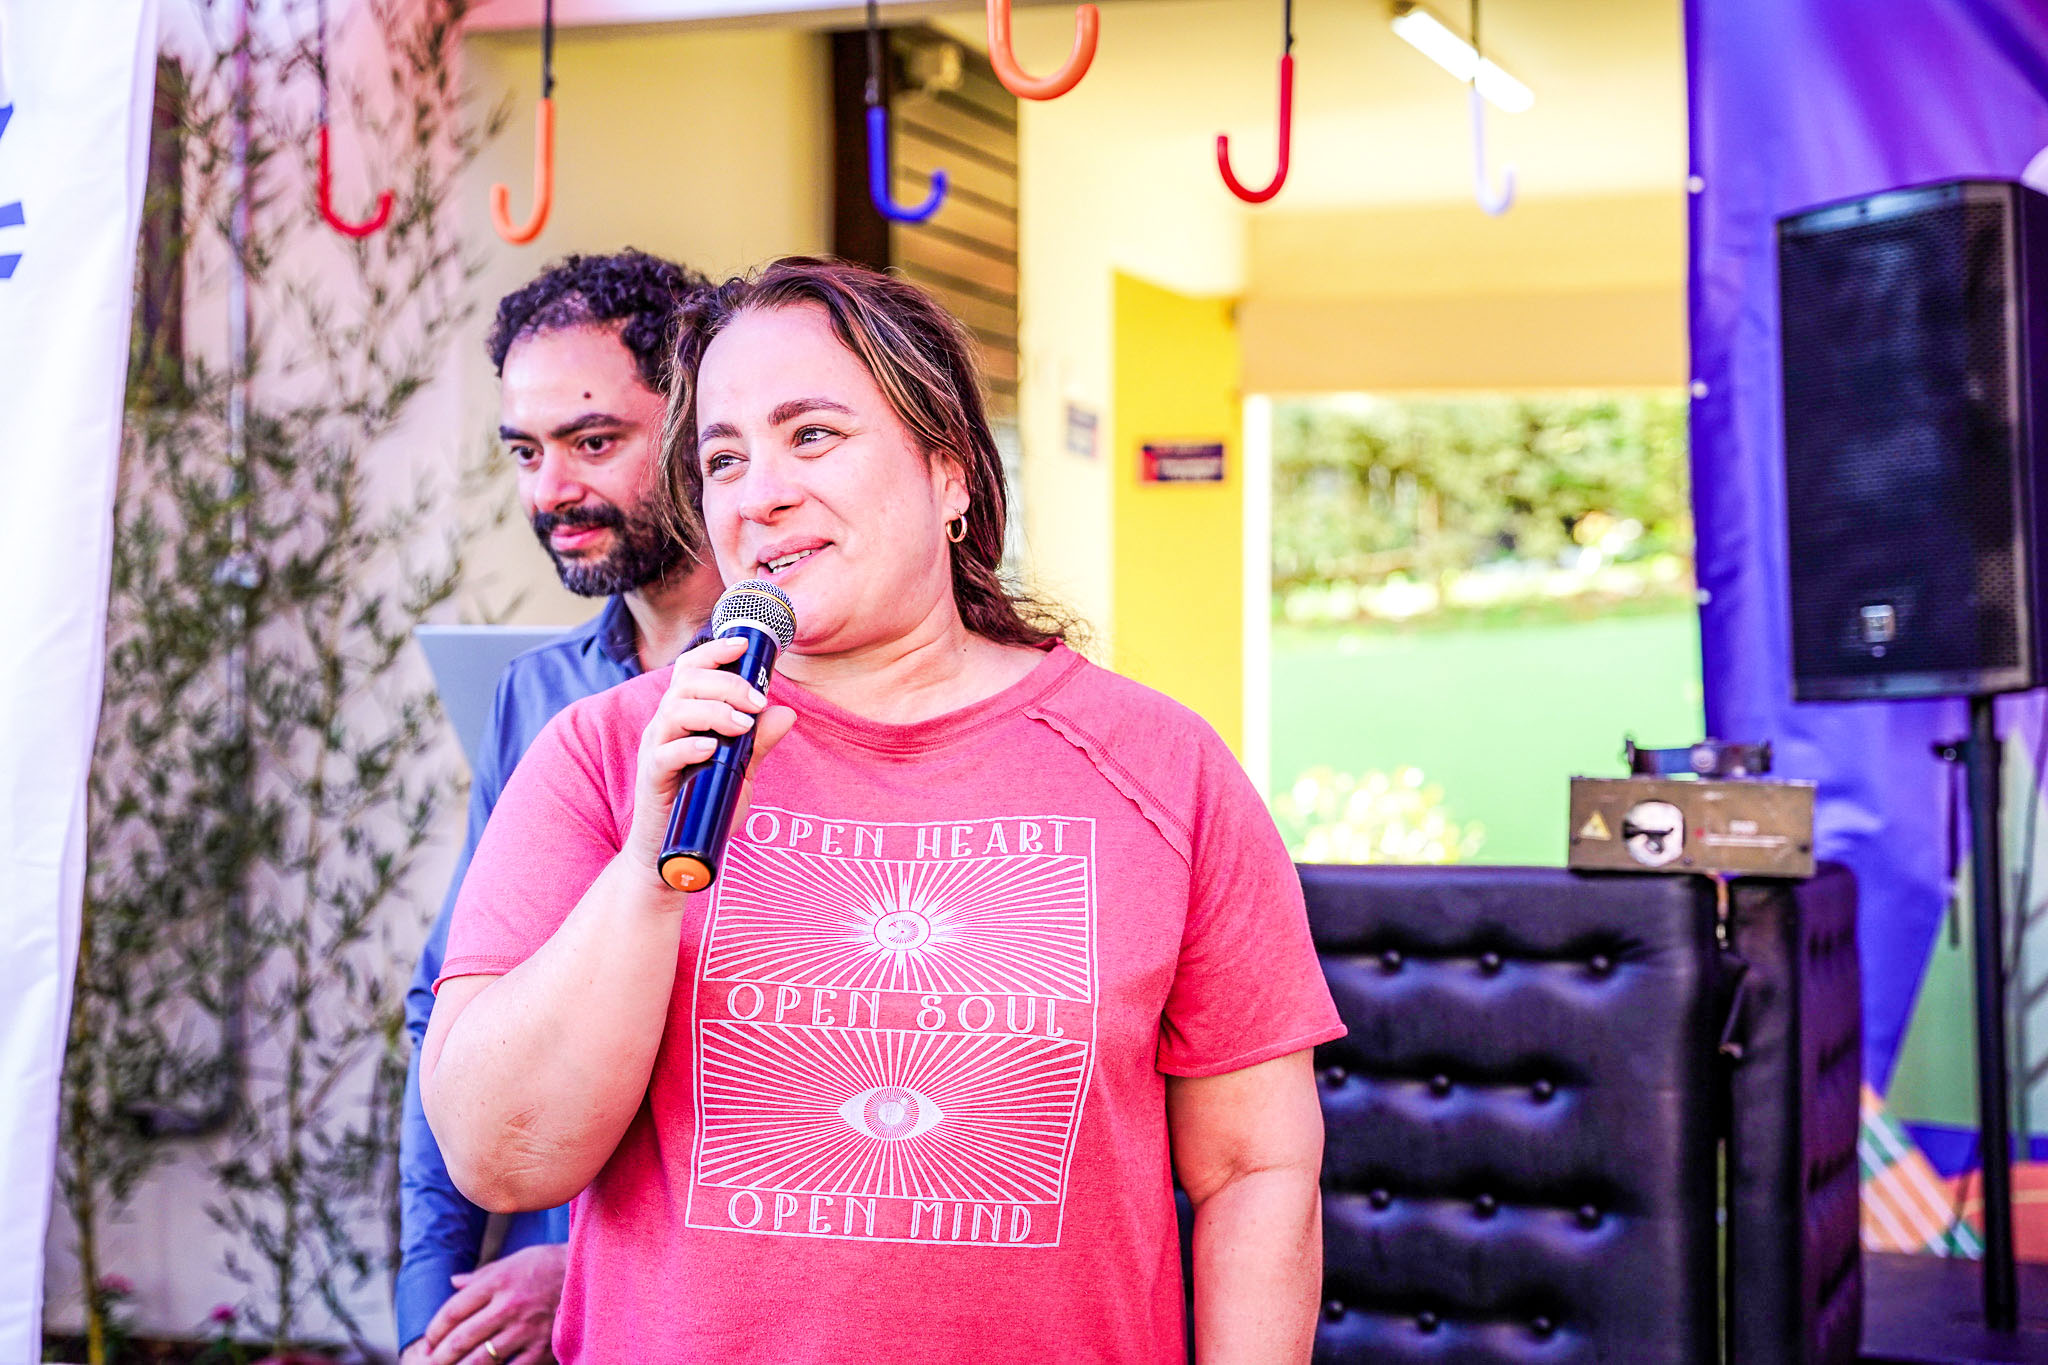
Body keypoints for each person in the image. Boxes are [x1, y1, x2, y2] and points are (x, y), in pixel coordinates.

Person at [421, 258, 1342, 1363]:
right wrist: (645, 871)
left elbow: (1254, 1168)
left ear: (950, 472)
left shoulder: (1163, 767)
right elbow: (502, 1158)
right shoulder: (602, 756)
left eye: (811, 435)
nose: (758, 493)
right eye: (723, 458)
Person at [397, 250, 721, 1365]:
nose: (550, 492)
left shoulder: (821, 688)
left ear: (696, 426)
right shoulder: (537, 697)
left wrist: (578, 1267)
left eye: (592, 441)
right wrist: (431, 1305)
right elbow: (451, 1006)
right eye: (527, 452)